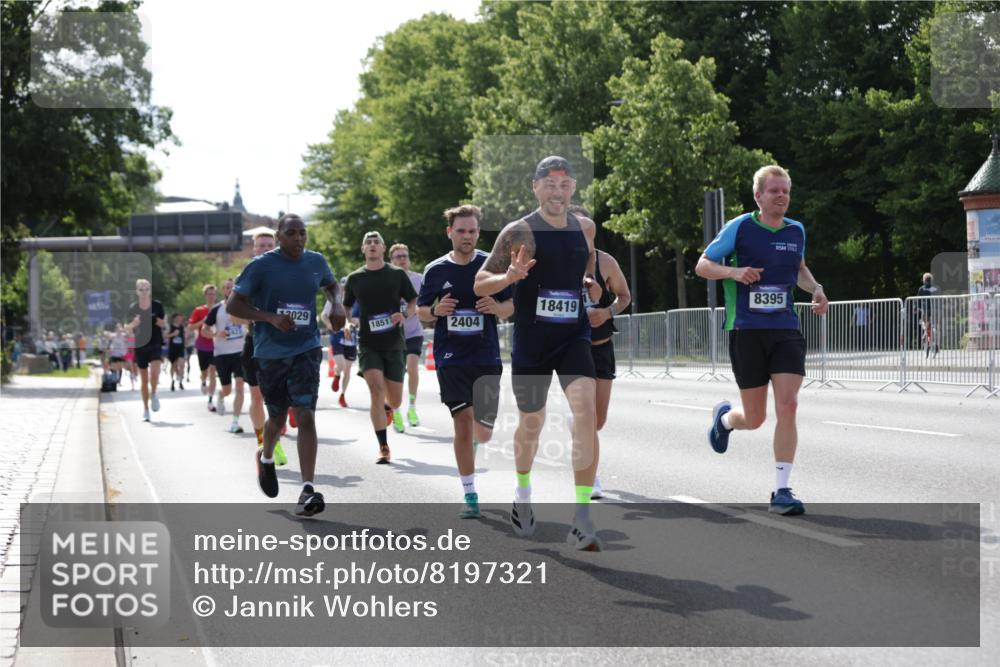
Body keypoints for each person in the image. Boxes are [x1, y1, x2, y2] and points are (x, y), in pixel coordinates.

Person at [473, 156, 602, 551]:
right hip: (532, 339)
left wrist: (587, 279)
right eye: (549, 184)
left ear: (573, 188)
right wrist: (508, 278)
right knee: (532, 422)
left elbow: (588, 257)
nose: (557, 192)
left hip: (573, 335)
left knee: (586, 409)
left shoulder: (584, 227)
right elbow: (480, 284)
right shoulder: (519, 231)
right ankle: (523, 492)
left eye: (564, 185)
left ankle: (581, 517)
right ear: (535, 187)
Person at [695, 164, 828, 516]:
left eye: (785, 191)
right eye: (774, 191)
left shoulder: (796, 230)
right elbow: (703, 265)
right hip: (747, 330)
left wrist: (816, 289)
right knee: (754, 418)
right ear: (759, 196)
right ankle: (725, 421)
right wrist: (734, 272)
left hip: (785, 329)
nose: (782, 196)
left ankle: (782, 490)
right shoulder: (740, 227)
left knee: (789, 405)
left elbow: (799, 269)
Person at [228, 213, 346, 516]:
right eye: (292, 233)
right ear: (279, 236)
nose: (299, 239)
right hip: (270, 352)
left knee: (305, 414)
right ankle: (265, 456)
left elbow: (332, 286)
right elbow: (233, 304)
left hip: (306, 348)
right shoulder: (261, 266)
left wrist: (337, 303)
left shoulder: (316, 262)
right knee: (278, 419)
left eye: (303, 233)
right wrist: (270, 318)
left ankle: (307, 489)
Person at [419, 204, 513, 518]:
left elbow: (513, 304)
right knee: (462, 422)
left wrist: (497, 308)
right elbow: (419, 312)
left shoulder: (492, 264)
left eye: (472, 231)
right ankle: (470, 492)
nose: (467, 236)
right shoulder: (435, 270)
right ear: (450, 232)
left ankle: (472, 447)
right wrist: (434, 312)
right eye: (461, 231)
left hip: (486, 354)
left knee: (483, 430)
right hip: (450, 356)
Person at [567, 207, 632, 500]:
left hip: (601, 346)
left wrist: (606, 312)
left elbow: (625, 296)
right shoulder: (558, 263)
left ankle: (580, 432)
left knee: (599, 420)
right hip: (570, 348)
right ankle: (590, 478)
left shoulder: (606, 262)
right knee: (587, 415)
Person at [342, 231, 418, 464]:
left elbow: (413, 302)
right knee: (375, 390)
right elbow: (346, 306)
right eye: (368, 242)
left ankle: (388, 407)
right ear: (363, 249)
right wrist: (347, 322)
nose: (373, 245)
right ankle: (383, 446)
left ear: (383, 249)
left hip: (394, 342)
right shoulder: (355, 278)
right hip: (368, 343)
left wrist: (404, 314)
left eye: (377, 242)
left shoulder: (396, 274)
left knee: (394, 401)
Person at [241, 230, 288, 465]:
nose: (266, 248)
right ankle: (265, 442)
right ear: (254, 249)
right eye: (261, 245)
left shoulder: (287, 273)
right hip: (256, 342)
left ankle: (275, 430)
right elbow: (235, 312)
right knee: (258, 396)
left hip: (283, 343)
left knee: (280, 397)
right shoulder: (248, 275)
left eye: (270, 244)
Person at [389, 242, 425, 431]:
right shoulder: (386, 280)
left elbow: (425, 301)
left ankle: (411, 406)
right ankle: (395, 410)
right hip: (392, 336)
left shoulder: (419, 279)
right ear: (391, 261)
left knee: (412, 367)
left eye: (405, 256)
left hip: (413, 333)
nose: (403, 259)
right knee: (395, 375)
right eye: (398, 257)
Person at [205, 278, 248, 434]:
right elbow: (205, 330)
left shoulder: (245, 307)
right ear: (224, 291)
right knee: (228, 389)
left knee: (240, 386)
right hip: (222, 353)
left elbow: (251, 322)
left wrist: (241, 320)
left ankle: (235, 422)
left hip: (240, 352)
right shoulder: (217, 309)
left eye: (232, 288)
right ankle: (221, 395)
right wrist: (217, 333)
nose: (230, 290)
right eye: (227, 288)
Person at [125, 278, 167, 422]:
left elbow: (163, 323)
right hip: (140, 345)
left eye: (146, 289)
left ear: (150, 290)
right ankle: (145, 409)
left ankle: (154, 393)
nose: (144, 292)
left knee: (154, 373)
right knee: (144, 379)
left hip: (155, 343)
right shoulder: (133, 308)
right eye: (141, 289)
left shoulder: (157, 306)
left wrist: (162, 323)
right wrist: (133, 324)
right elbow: (127, 327)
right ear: (137, 291)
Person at [321, 284, 356, 409]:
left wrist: (355, 323)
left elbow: (359, 318)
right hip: (337, 334)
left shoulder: (356, 300)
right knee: (340, 365)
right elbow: (323, 315)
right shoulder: (333, 300)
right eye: (343, 287)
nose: (345, 290)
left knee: (348, 369)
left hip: (351, 336)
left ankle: (343, 395)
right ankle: (336, 375)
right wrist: (330, 326)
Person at [189, 284, 219, 411]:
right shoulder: (199, 310)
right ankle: (203, 381)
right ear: (205, 295)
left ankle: (211, 400)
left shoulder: (220, 309)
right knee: (204, 371)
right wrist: (204, 321)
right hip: (202, 345)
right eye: (209, 294)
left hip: (216, 346)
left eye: (213, 294)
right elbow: (191, 327)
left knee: (213, 371)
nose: (211, 296)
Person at [916, 272, 940, 357]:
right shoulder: (936, 288)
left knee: (923, 323)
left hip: (926, 311)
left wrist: (917, 308)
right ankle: (935, 343)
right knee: (935, 327)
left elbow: (918, 301)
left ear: (924, 280)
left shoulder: (921, 289)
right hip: (935, 311)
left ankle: (925, 334)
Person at [167, 314, 186, 391]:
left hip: (180, 348)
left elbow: (184, 336)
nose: (179, 319)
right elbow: (165, 336)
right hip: (172, 348)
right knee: (173, 365)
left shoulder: (182, 327)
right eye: (178, 318)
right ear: (174, 319)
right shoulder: (170, 326)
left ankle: (180, 381)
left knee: (182, 364)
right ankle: (172, 381)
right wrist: (173, 334)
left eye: (180, 318)